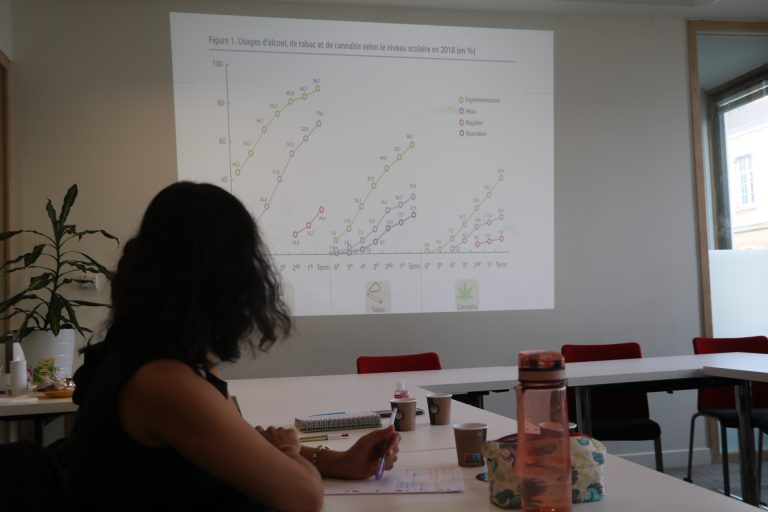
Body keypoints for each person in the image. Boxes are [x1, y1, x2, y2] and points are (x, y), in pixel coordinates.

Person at [67, 182, 400, 511]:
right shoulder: (164, 382)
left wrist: (337, 461)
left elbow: (236, 445)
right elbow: (304, 497)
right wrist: (289, 452)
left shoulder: (162, 356)